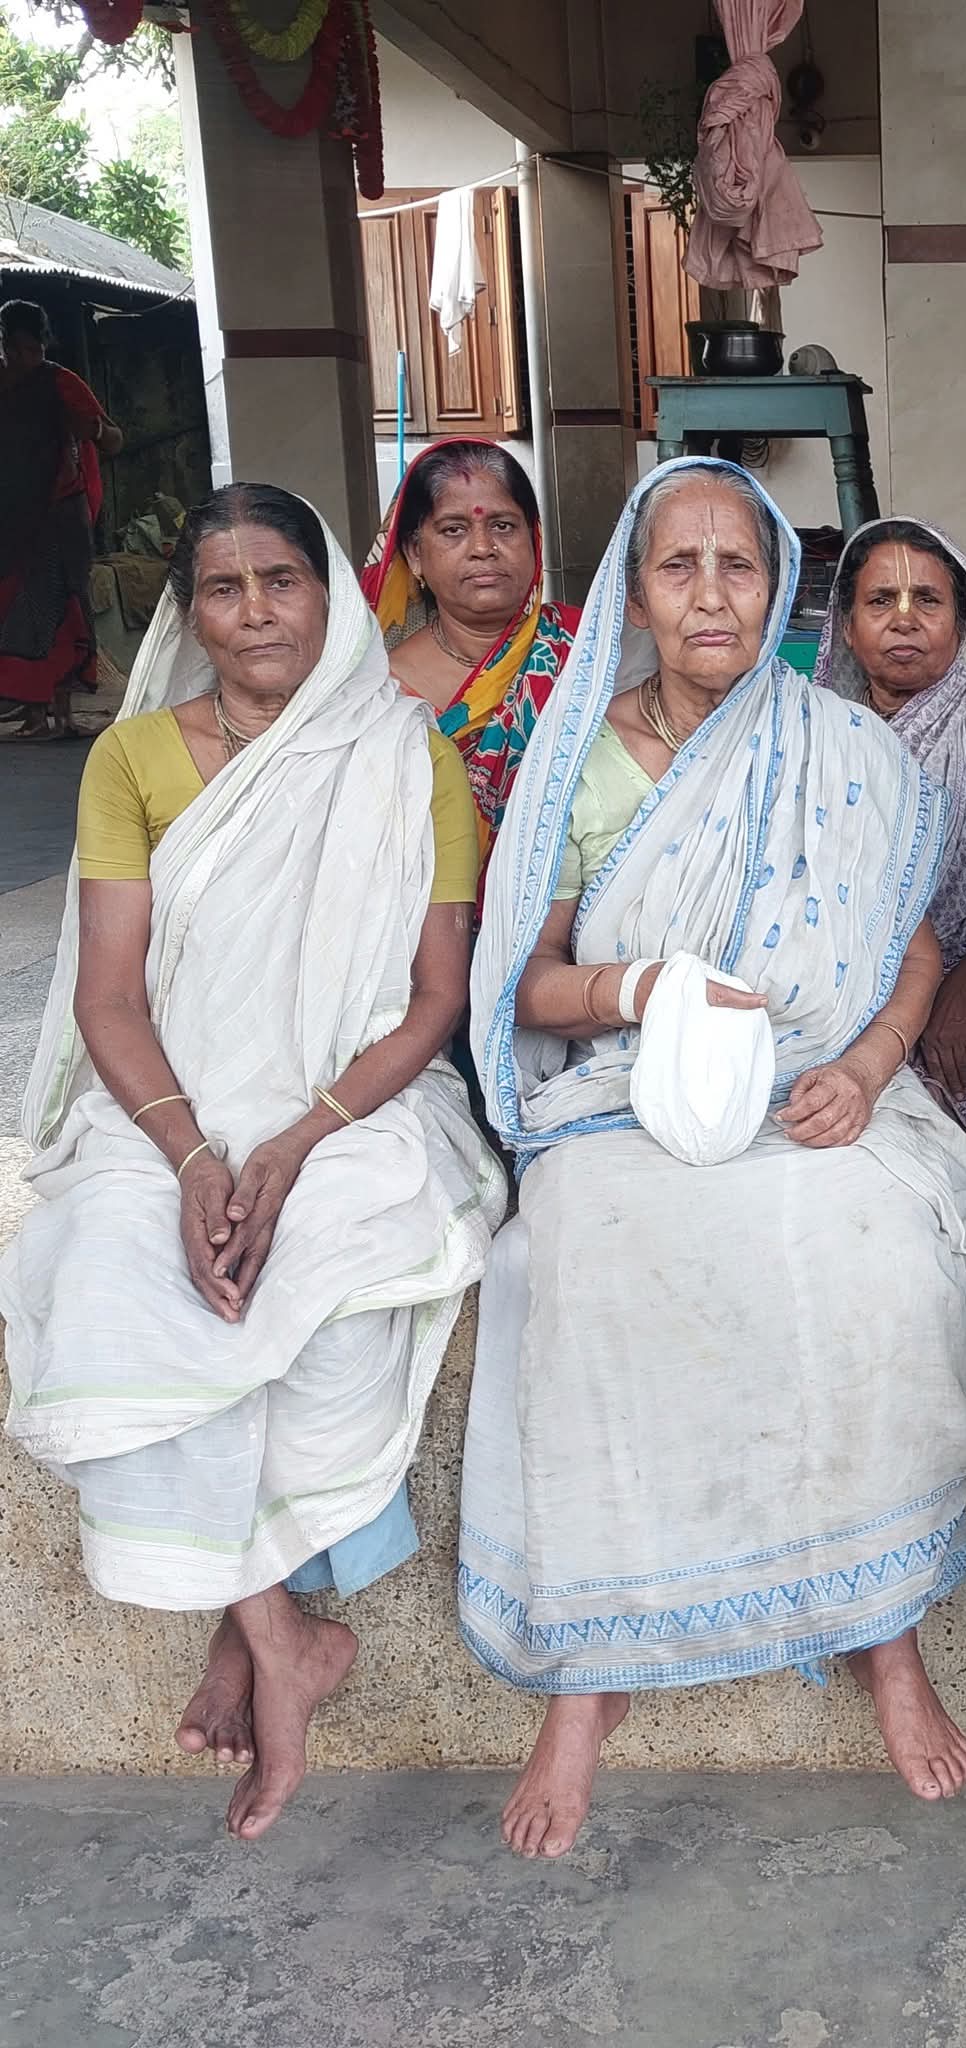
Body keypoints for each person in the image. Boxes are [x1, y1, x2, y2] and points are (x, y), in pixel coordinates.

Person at [460, 458, 966, 1859]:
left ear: (778, 590)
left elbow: (914, 951)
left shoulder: (842, 748)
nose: (710, 593)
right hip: (628, 1092)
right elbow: (526, 986)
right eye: (677, 565)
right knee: (585, 1264)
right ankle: (589, 1672)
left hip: (816, 1087)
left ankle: (882, 1631)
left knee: (880, 1261)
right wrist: (637, 990)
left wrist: (867, 1070)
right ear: (633, 594)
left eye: (739, 565)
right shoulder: (580, 755)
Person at [0, 484, 507, 1839]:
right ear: (191, 612)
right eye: (224, 589)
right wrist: (188, 1159)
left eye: (282, 581)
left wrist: (291, 1144)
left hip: (355, 1101)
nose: (257, 612)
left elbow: (433, 1002)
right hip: (166, 1101)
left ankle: (255, 1625)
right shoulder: (133, 759)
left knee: (332, 1280)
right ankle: (284, 1637)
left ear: (331, 595)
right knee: (112, 1280)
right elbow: (110, 996)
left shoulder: (408, 757)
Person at [812, 518, 966, 1135]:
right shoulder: (818, 731)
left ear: (960, 622)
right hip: (845, 982)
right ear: (847, 625)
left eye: (927, 600)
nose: (904, 619)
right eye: (880, 600)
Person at [362, 438, 579, 862]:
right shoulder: (380, 692)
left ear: (534, 538)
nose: (483, 548)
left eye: (503, 526)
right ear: (415, 554)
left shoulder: (584, 648)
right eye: (454, 530)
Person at [0, 299, 123, 739]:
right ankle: (34, 713)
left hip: (60, 515)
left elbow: (114, 440)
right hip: (12, 517)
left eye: (32, 349)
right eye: (15, 349)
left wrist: (93, 429)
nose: (24, 358)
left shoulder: (60, 382)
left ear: (44, 344)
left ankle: (63, 714)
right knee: (17, 610)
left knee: (62, 609)